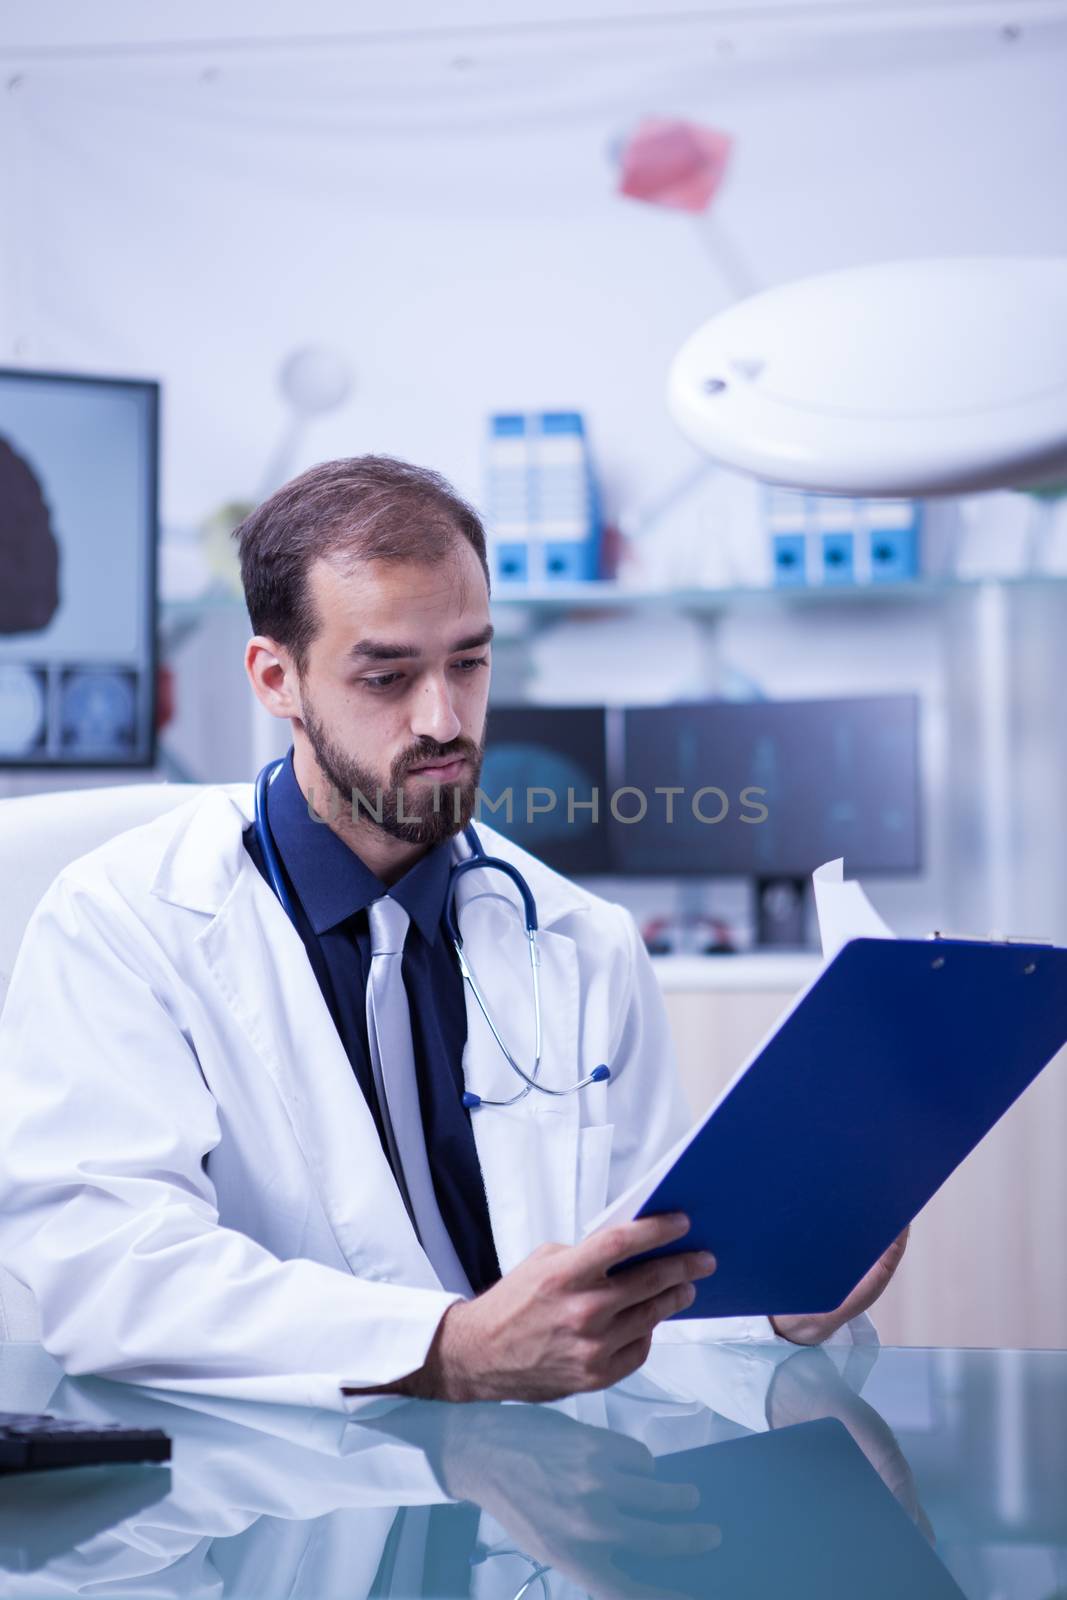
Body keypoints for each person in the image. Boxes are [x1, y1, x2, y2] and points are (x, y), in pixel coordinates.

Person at [0, 456, 905, 1408]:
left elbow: (635, 1275)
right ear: (277, 677)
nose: (444, 719)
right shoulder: (122, 923)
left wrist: (771, 1306)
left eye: (468, 662)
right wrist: (446, 1347)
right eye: (387, 675)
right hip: (262, 1511)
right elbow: (106, 1275)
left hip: (536, 1514)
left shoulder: (581, 939)